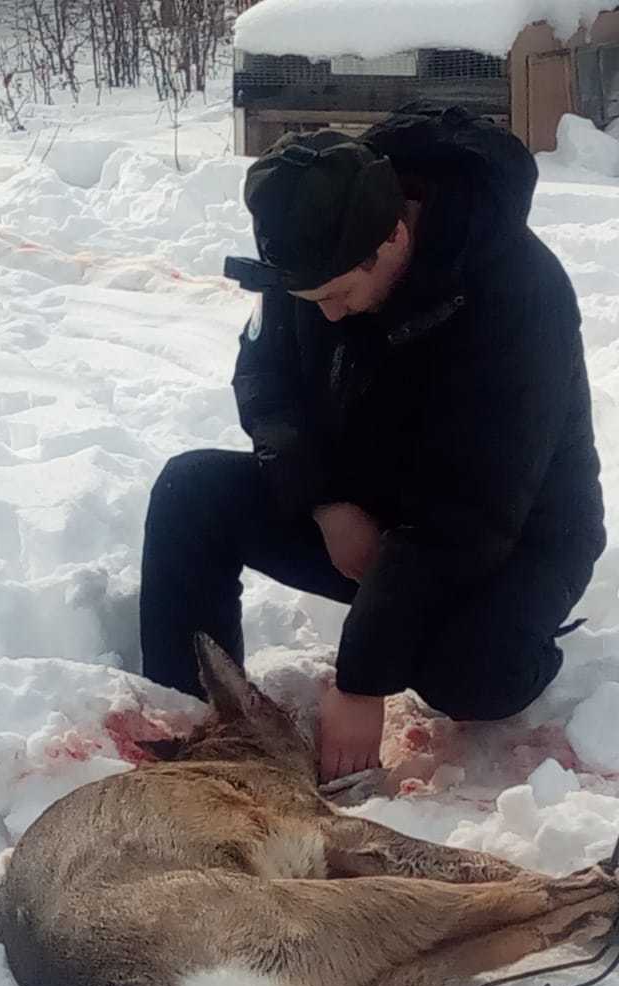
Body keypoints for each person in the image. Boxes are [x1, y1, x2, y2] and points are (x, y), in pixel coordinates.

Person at [140, 107, 605, 782]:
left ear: (391, 238)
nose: (325, 314)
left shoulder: (519, 297)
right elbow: (263, 382)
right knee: (191, 495)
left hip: (516, 535)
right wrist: (325, 501)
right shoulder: (313, 241)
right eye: (310, 298)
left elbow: (469, 515)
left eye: (338, 296)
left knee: (468, 674)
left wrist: (360, 682)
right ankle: (194, 726)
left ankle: (534, 641)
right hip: (367, 507)